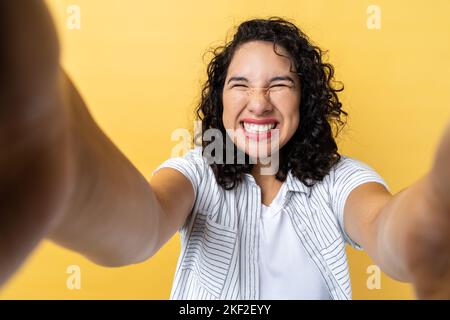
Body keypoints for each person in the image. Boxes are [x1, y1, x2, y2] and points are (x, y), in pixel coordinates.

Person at [1, 1, 449, 299]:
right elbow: (143, 223)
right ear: (221, 101)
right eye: (240, 85)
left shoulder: (338, 179)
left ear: (304, 100)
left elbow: (384, 225)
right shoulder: (197, 172)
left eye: (279, 84)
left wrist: (431, 211)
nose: (258, 102)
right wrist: (65, 166)